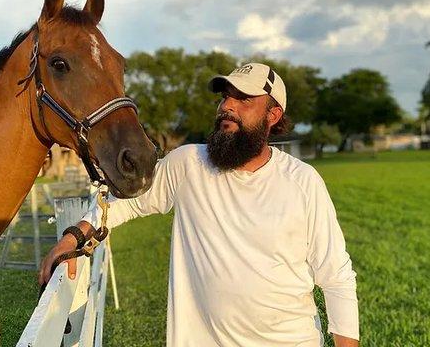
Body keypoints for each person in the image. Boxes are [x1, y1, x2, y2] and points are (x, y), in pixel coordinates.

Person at [39, 63, 359, 347]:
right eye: (225, 97)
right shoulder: (189, 163)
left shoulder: (303, 181)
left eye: (243, 99)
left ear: (273, 115)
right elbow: (125, 202)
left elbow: (335, 273)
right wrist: (74, 237)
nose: (227, 106)